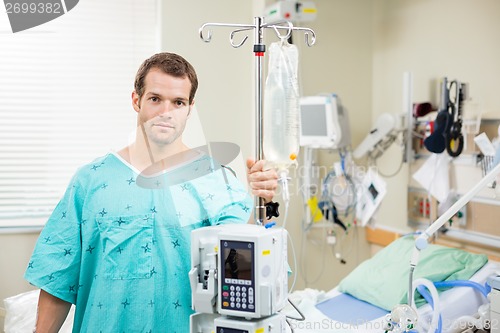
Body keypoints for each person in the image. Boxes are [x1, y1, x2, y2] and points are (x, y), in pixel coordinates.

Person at [24, 52, 279, 332]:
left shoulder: (216, 180)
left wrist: (264, 202)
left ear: (190, 107)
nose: (166, 112)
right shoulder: (90, 181)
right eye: (155, 99)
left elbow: (241, 265)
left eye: (178, 102)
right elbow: (58, 281)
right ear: (136, 100)